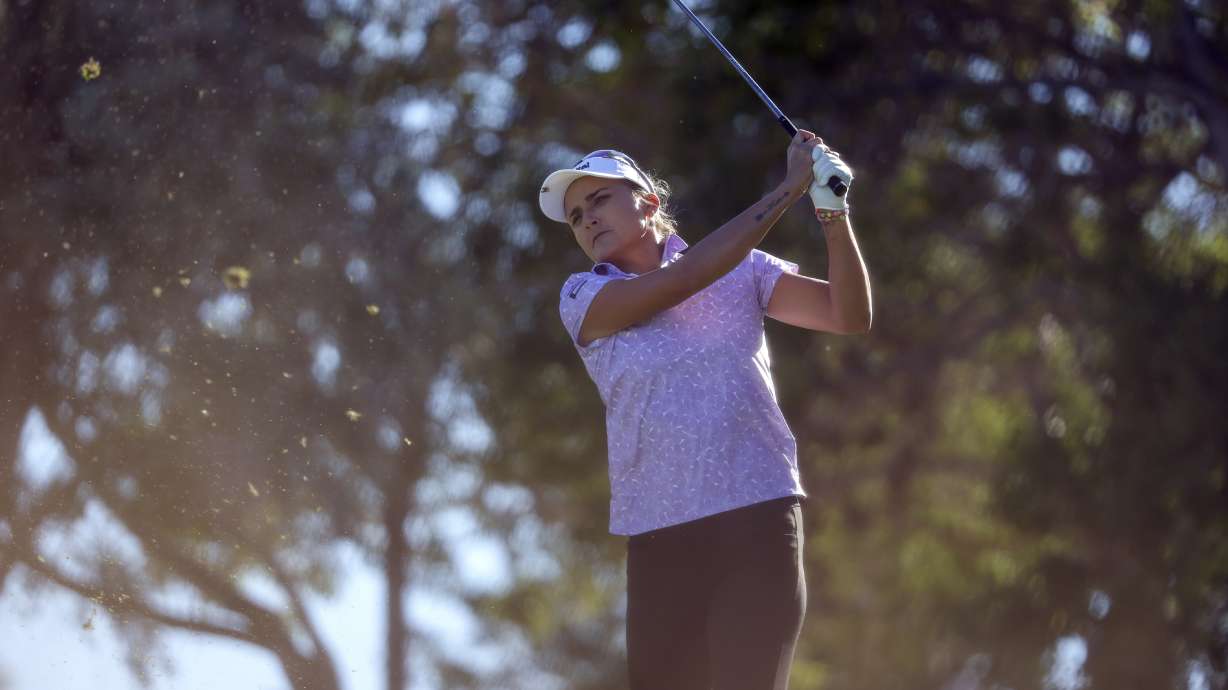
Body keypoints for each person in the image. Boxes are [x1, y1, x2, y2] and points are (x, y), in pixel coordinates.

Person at [537, 131, 871, 690]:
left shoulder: (747, 269)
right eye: (576, 216)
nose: (587, 219)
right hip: (659, 543)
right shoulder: (583, 298)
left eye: (600, 201)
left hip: (758, 520)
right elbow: (686, 279)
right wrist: (788, 191)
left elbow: (847, 315)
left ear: (649, 203)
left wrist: (833, 213)